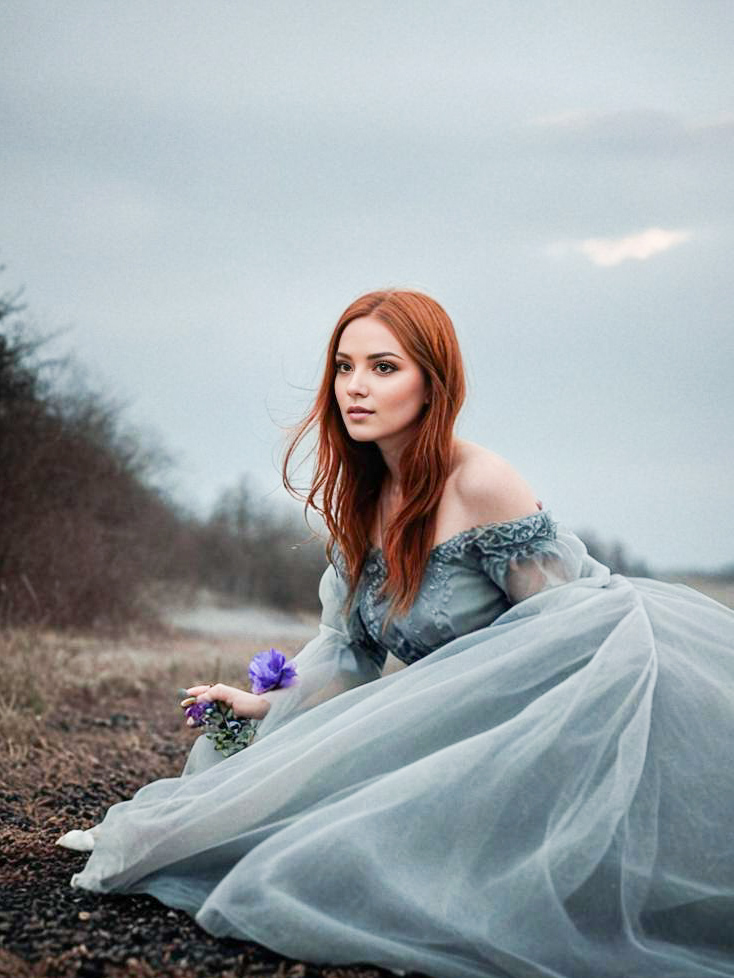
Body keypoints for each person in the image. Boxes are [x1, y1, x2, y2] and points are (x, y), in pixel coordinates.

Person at [61, 289, 734, 978]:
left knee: (338, 864)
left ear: (432, 383)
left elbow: (571, 638)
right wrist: (266, 703)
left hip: (553, 720)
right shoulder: (362, 499)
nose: (356, 386)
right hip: (460, 728)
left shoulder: (481, 483)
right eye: (344, 367)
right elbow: (348, 651)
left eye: (384, 367)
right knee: (273, 810)